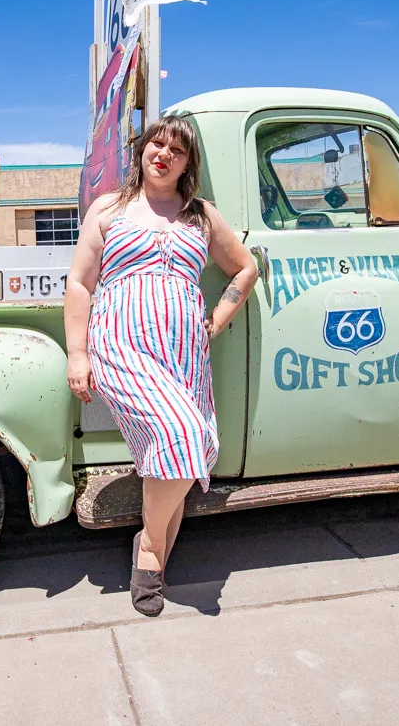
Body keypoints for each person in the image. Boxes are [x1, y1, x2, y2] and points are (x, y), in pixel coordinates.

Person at [63, 115, 258, 616]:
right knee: (180, 437)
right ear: (142, 150)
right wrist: (78, 354)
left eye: (176, 149)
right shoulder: (109, 209)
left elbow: (246, 267)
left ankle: (157, 558)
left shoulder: (201, 215)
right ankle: (149, 550)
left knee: (175, 454)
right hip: (123, 346)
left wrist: (216, 319)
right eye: (156, 143)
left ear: (188, 162)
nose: (163, 154)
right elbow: (81, 284)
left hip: (183, 355)